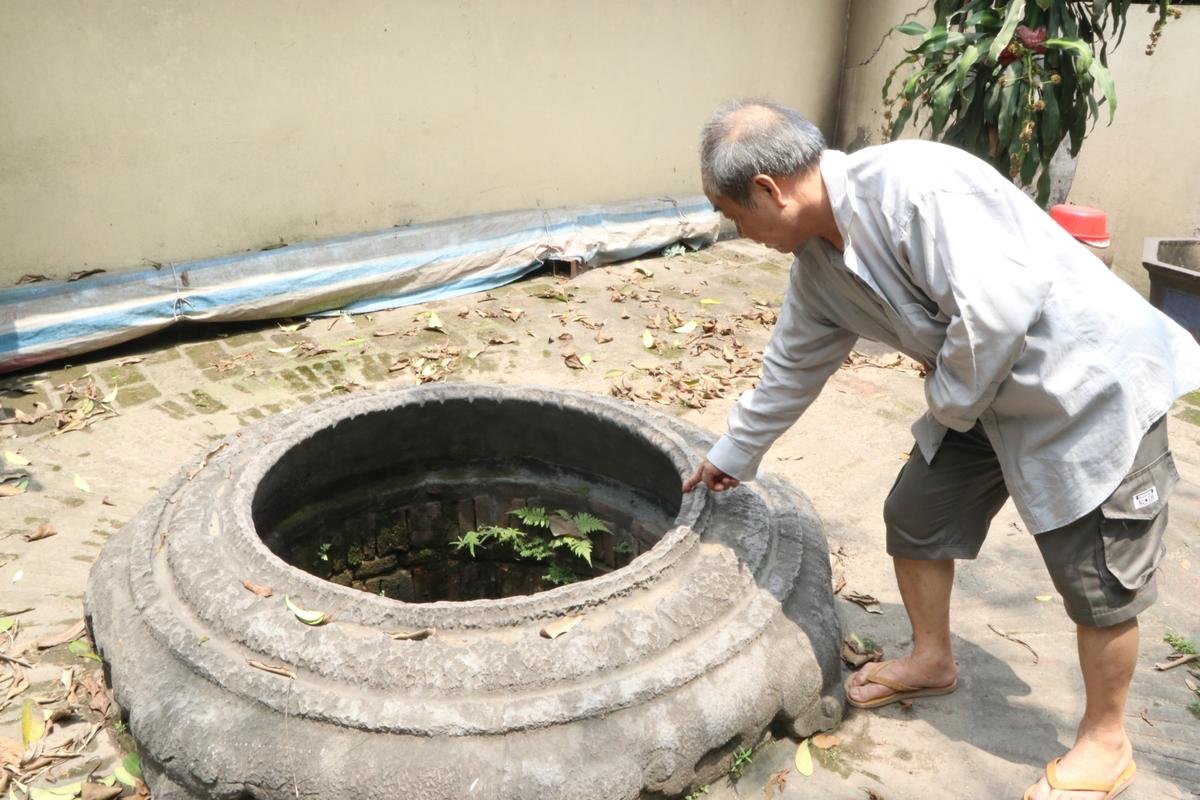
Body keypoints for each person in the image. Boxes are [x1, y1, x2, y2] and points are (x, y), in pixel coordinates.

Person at [681, 98, 1200, 800]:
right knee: (918, 514)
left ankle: (1107, 742)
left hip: (1088, 388)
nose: (741, 234)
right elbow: (791, 369)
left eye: (736, 217)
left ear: (770, 192)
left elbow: (998, 311)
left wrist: (946, 399)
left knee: (1099, 580)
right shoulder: (818, 270)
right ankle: (932, 658)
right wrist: (731, 455)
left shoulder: (917, 185)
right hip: (983, 398)